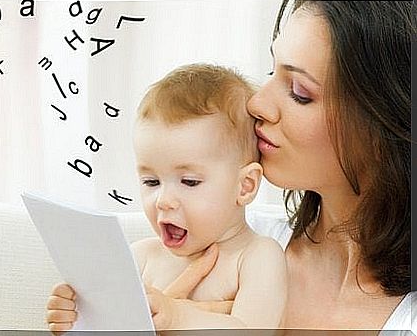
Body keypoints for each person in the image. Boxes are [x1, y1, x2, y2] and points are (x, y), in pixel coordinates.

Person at [144, 0, 414, 332]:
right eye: (272, 71)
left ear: (386, 125)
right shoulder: (219, 236)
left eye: (300, 92)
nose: (258, 103)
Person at [46, 64, 287, 332]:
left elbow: (253, 330)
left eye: (189, 181)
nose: (163, 200)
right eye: (151, 181)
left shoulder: (257, 257)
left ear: (245, 186)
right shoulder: (140, 258)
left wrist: (179, 317)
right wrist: (79, 319)